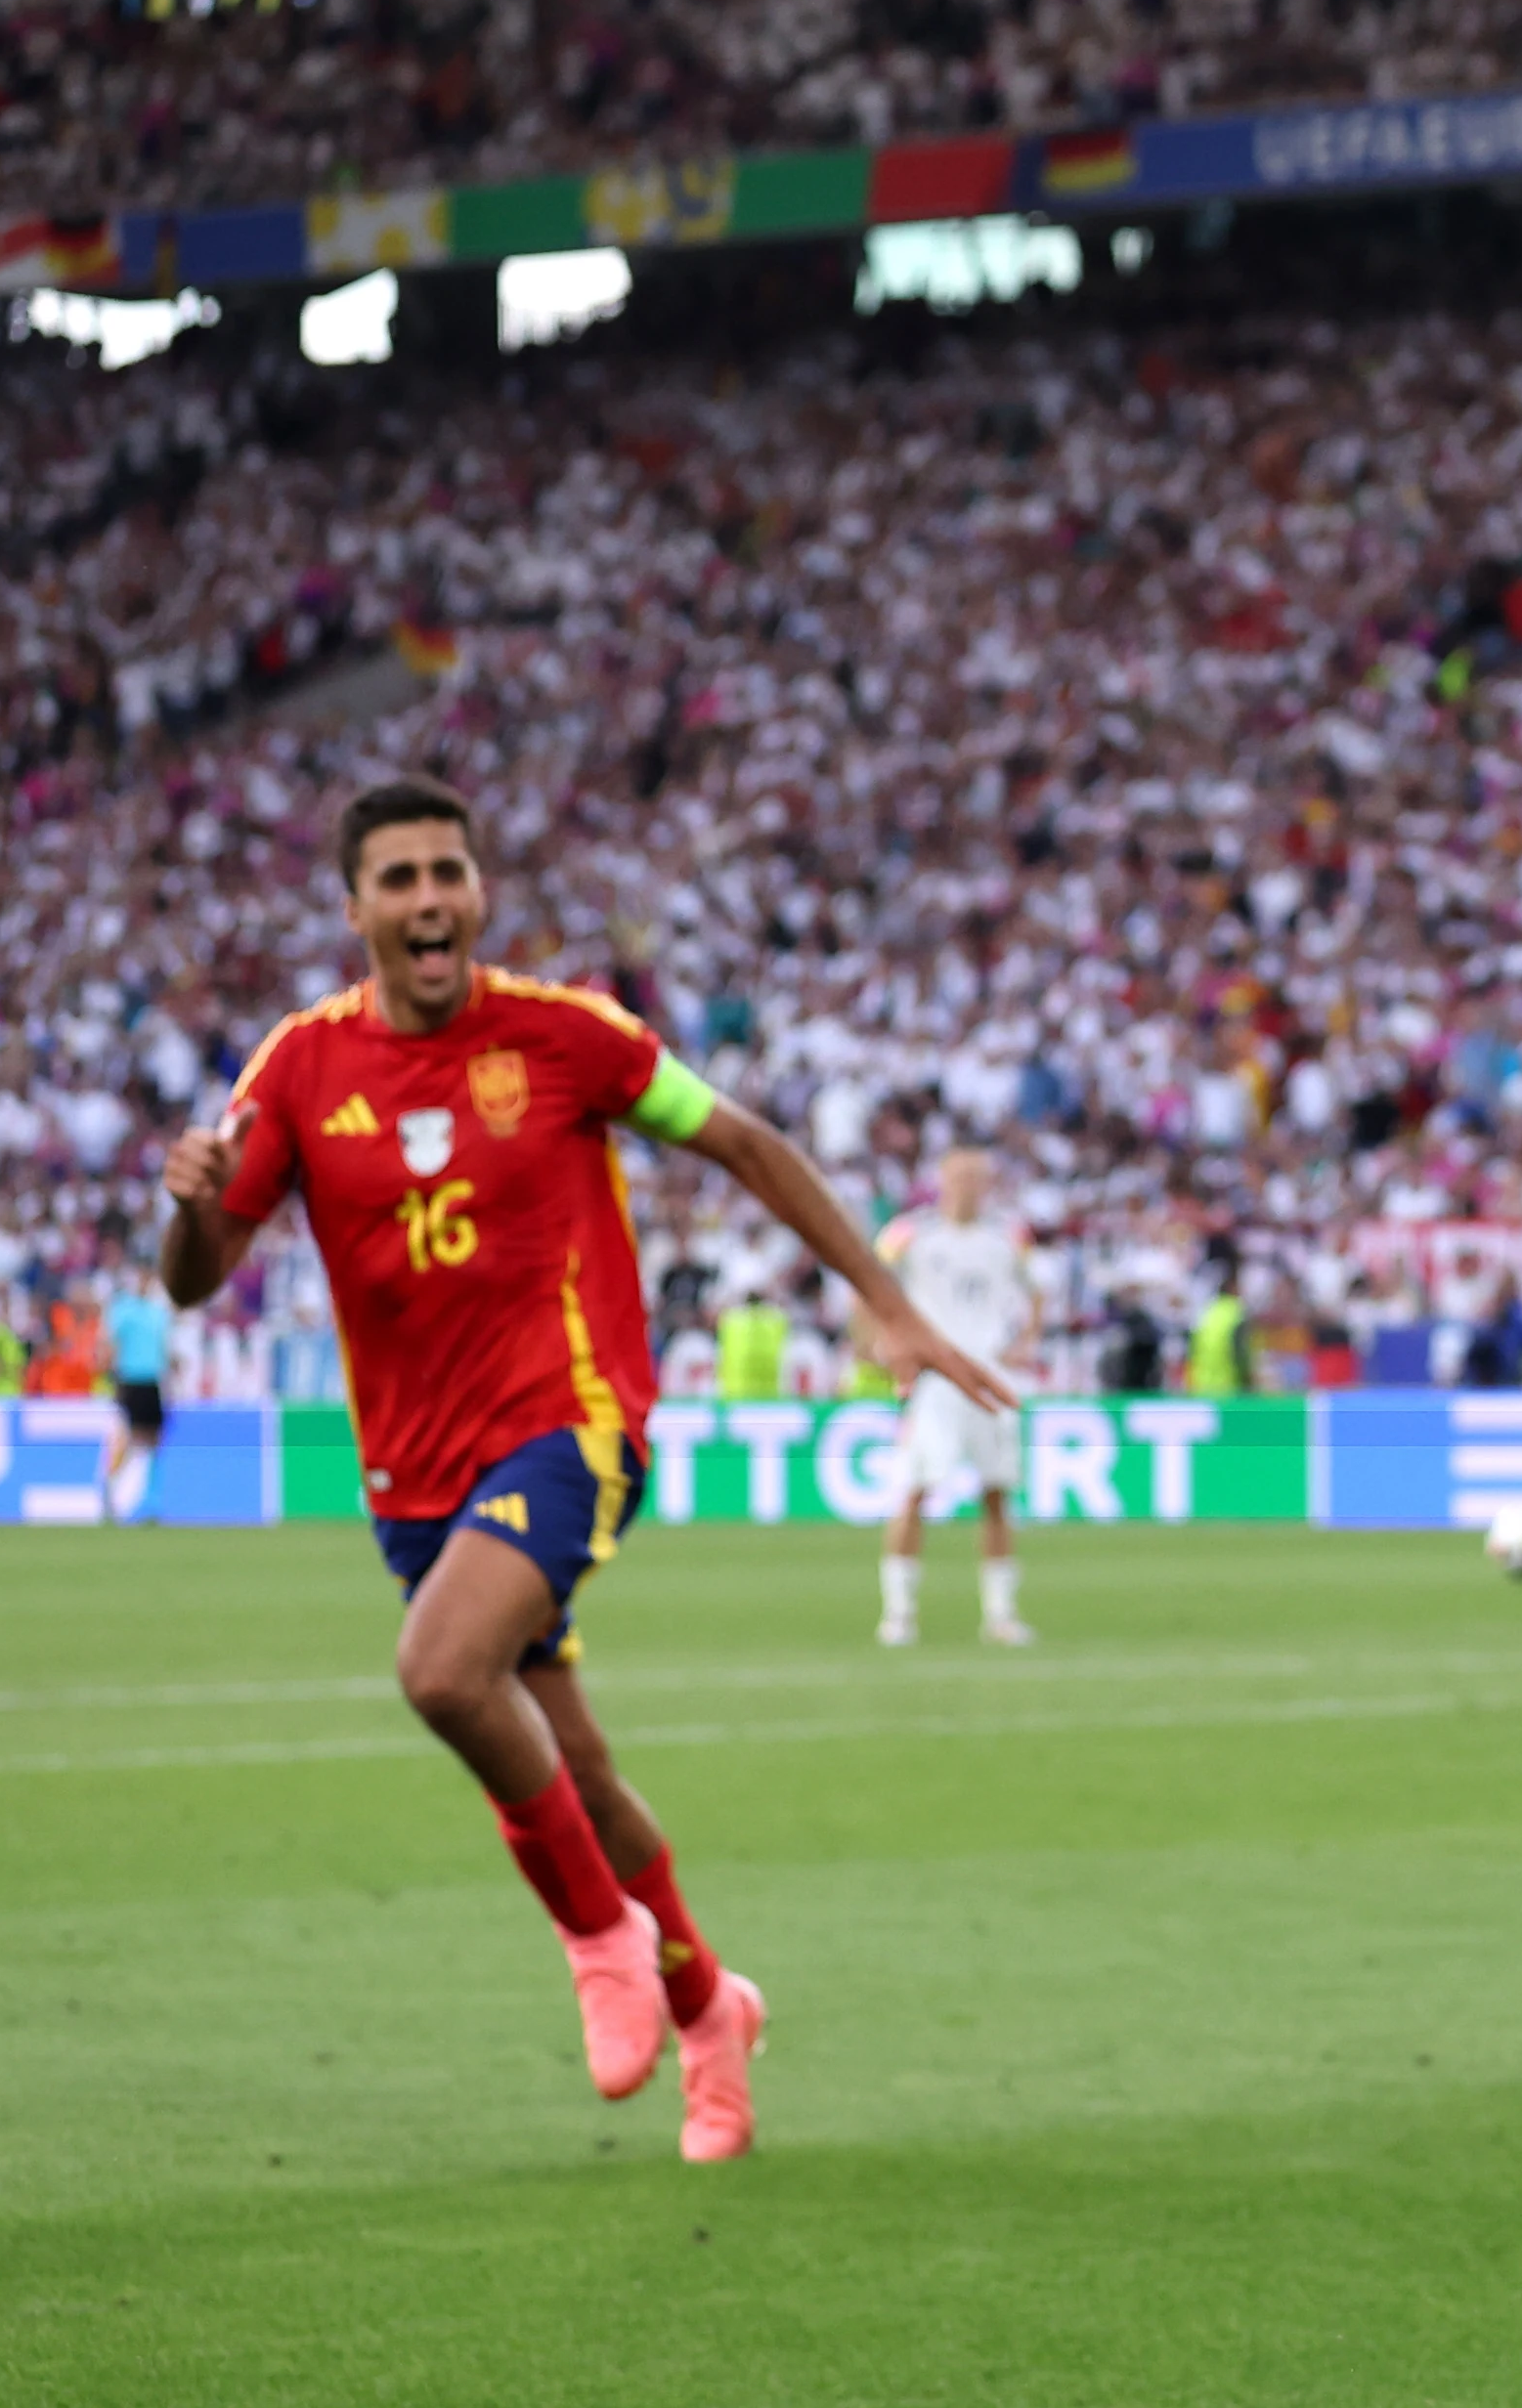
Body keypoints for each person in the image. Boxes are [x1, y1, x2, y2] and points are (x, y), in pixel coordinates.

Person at [156, 777, 1008, 2161]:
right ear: (355, 906)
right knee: (579, 1772)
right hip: (415, 1475)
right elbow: (197, 1282)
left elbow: (744, 1139)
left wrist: (887, 1299)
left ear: (477, 890)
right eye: (400, 878)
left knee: (441, 1673)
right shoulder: (299, 1068)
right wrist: (190, 1214)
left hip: (575, 1420)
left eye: (449, 871)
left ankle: (602, 1938)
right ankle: (707, 2005)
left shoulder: (566, 1035)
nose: (430, 898)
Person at [876, 1147, 1039, 1648]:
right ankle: (899, 1613)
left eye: (977, 1177)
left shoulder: (1007, 1237)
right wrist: (883, 1344)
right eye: (960, 1175)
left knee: (997, 1495)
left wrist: (1025, 1341)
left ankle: (1000, 1614)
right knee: (914, 1491)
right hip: (937, 1379)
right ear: (943, 1180)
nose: (969, 1184)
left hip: (989, 1374)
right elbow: (871, 1288)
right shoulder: (910, 1234)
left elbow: (1037, 1293)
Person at [103, 1277, 173, 1521]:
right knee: (128, 1439)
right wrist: (113, 1377)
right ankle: (110, 1490)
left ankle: (151, 1500)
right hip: (130, 1379)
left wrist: (169, 1379)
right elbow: (111, 1344)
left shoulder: (158, 1312)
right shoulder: (124, 1309)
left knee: (154, 1441)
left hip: (152, 1380)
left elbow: (163, 1348)